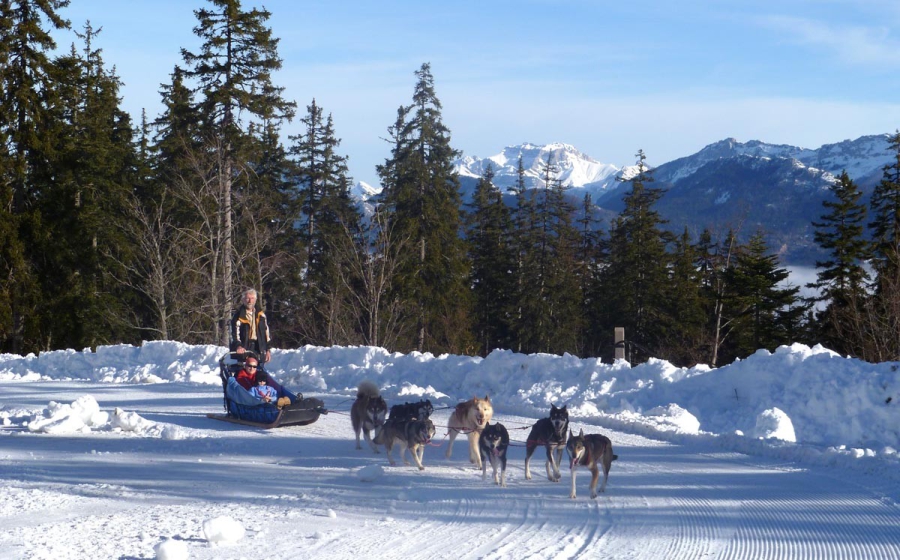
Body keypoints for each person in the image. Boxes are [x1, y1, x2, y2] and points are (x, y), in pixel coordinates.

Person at [230, 288, 271, 364]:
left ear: (255, 299)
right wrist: (238, 346)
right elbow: (234, 334)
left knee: (258, 372)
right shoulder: (238, 316)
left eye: (252, 298)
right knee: (243, 372)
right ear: (243, 300)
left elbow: (266, 333)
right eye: (247, 298)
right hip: (244, 348)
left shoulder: (261, 315)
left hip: (258, 348)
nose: (250, 301)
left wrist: (268, 349)